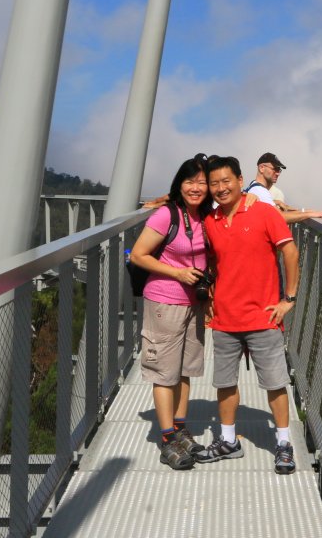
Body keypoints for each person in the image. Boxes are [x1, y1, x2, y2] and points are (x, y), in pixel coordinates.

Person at [194, 154, 301, 474]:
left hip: (263, 316)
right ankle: (228, 440)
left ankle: (283, 443)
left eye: (227, 181)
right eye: (215, 183)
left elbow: (290, 251)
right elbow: (213, 262)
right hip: (225, 317)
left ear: (241, 180)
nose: (221, 188)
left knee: (275, 383)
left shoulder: (264, 212)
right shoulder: (210, 222)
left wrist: (289, 299)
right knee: (224, 383)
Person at [129, 155, 213, 470]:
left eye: (202, 183)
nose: (196, 188)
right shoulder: (167, 215)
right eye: (190, 181)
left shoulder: (206, 215)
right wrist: (177, 274)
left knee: (186, 368)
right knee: (165, 371)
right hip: (165, 300)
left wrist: (301, 215)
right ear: (179, 184)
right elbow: (138, 254)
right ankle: (167, 440)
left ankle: (180, 428)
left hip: (195, 302)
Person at [245, 152, 322, 224]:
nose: (278, 173)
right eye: (275, 169)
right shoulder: (260, 191)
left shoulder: (254, 186)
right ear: (261, 168)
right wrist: (309, 214)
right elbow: (279, 217)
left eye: (279, 170)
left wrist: (305, 211)